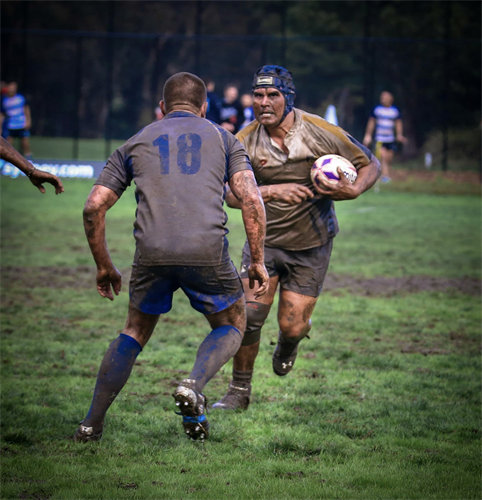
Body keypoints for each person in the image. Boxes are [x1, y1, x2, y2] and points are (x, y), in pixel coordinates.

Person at [74, 72, 269, 443]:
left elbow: (93, 207)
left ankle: (90, 424)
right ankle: (193, 386)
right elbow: (251, 199)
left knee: (134, 330)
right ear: (204, 106)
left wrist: (104, 266)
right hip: (206, 250)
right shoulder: (223, 137)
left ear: (162, 108)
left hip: (151, 252)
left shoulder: (135, 141)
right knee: (232, 321)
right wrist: (257, 258)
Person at [212, 65, 380, 411]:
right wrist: (271, 191)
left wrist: (355, 190)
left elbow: (370, 163)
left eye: (272, 95)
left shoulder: (320, 130)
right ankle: (238, 391)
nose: (264, 102)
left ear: (288, 98)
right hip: (264, 243)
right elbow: (229, 195)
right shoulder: (242, 141)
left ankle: (289, 343)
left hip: (311, 245)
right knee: (249, 316)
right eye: (258, 95)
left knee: (292, 325)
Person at [363, 91, 407, 183]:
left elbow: (398, 123)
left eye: (385, 97)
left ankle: (386, 174)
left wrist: (399, 135)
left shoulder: (395, 110)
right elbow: (371, 123)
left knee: (389, 158)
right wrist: (368, 135)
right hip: (380, 138)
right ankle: (385, 176)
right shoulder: (377, 109)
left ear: (390, 99)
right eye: (382, 97)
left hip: (390, 139)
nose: (382, 99)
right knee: (383, 156)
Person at [0, 82, 33, 159]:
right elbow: (1, 114)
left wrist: (28, 120)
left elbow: (26, 109)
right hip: (11, 125)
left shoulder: (20, 97)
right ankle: (6, 162)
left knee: (25, 143)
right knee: (8, 144)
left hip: (21, 123)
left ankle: (29, 160)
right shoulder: (4, 100)